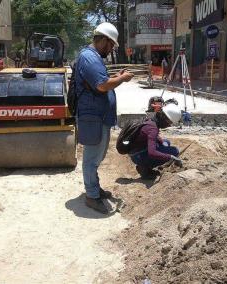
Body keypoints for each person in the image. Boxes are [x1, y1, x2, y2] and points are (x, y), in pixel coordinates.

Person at [75, 22, 134, 214]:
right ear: (103, 40)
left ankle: (94, 188)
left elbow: (100, 81)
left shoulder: (93, 58)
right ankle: (92, 196)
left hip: (98, 116)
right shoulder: (89, 57)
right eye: (111, 45)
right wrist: (122, 79)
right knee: (91, 158)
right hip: (93, 117)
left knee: (96, 157)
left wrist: (115, 77)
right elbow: (101, 85)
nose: (111, 50)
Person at [129, 103, 183, 180]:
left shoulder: (151, 120)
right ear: (165, 118)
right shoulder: (153, 129)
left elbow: (147, 135)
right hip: (138, 155)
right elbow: (152, 153)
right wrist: (171, 157)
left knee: (166, 142)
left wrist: (158, 139)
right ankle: (145, 168)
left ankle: (144, 164)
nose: (169, 125)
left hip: (137, 150)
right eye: (169, 123)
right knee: (174, 151)